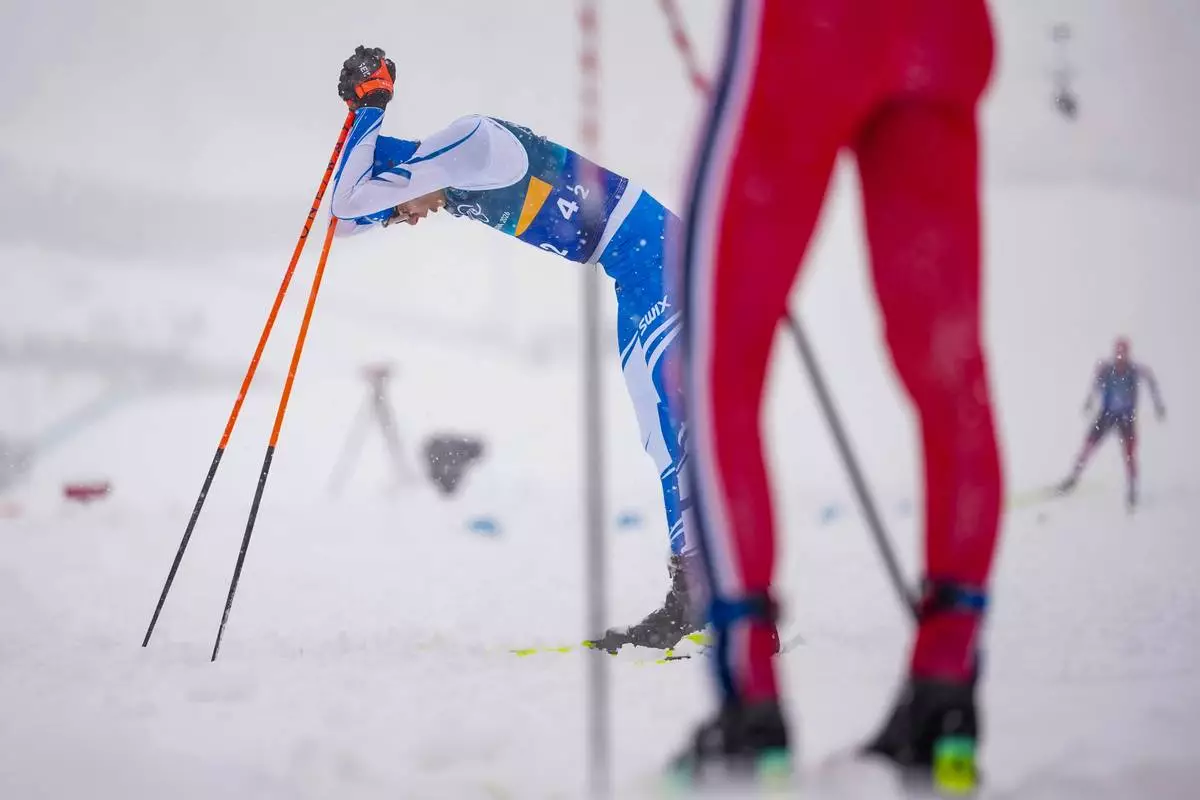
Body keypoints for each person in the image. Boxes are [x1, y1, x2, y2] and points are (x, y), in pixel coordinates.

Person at [668, 0, 1002, 791]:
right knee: (949, 369)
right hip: (941, 32)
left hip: (809, 31)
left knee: (720, 358)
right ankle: (945, 696)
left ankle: (751, 708)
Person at [330, 46, 699, 650]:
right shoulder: (445, 181)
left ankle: (721, 601)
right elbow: (344, 217)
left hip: (666, 258)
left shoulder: (468, 145)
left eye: (396, 213)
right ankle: (696, 592)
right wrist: (356, 120)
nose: (408, 221)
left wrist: (371, 109)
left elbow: (351, 201)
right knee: (661, 439)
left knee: (681, 428)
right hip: (632, 275)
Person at [1057, 337, 1165, 510]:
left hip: (1126, 419)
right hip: (1106, 416)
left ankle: (1132, 489)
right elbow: (1095, 384)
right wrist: (1089, 400)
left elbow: (1150, 379)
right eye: (1118, 353)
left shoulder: (1134, 369)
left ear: (1128, 354)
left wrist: (1158, 405)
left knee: (1129, 454)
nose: (1121, 356)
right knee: (1087, 446)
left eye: (1124, 353)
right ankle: (1072, 479)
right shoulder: (1107, 368)